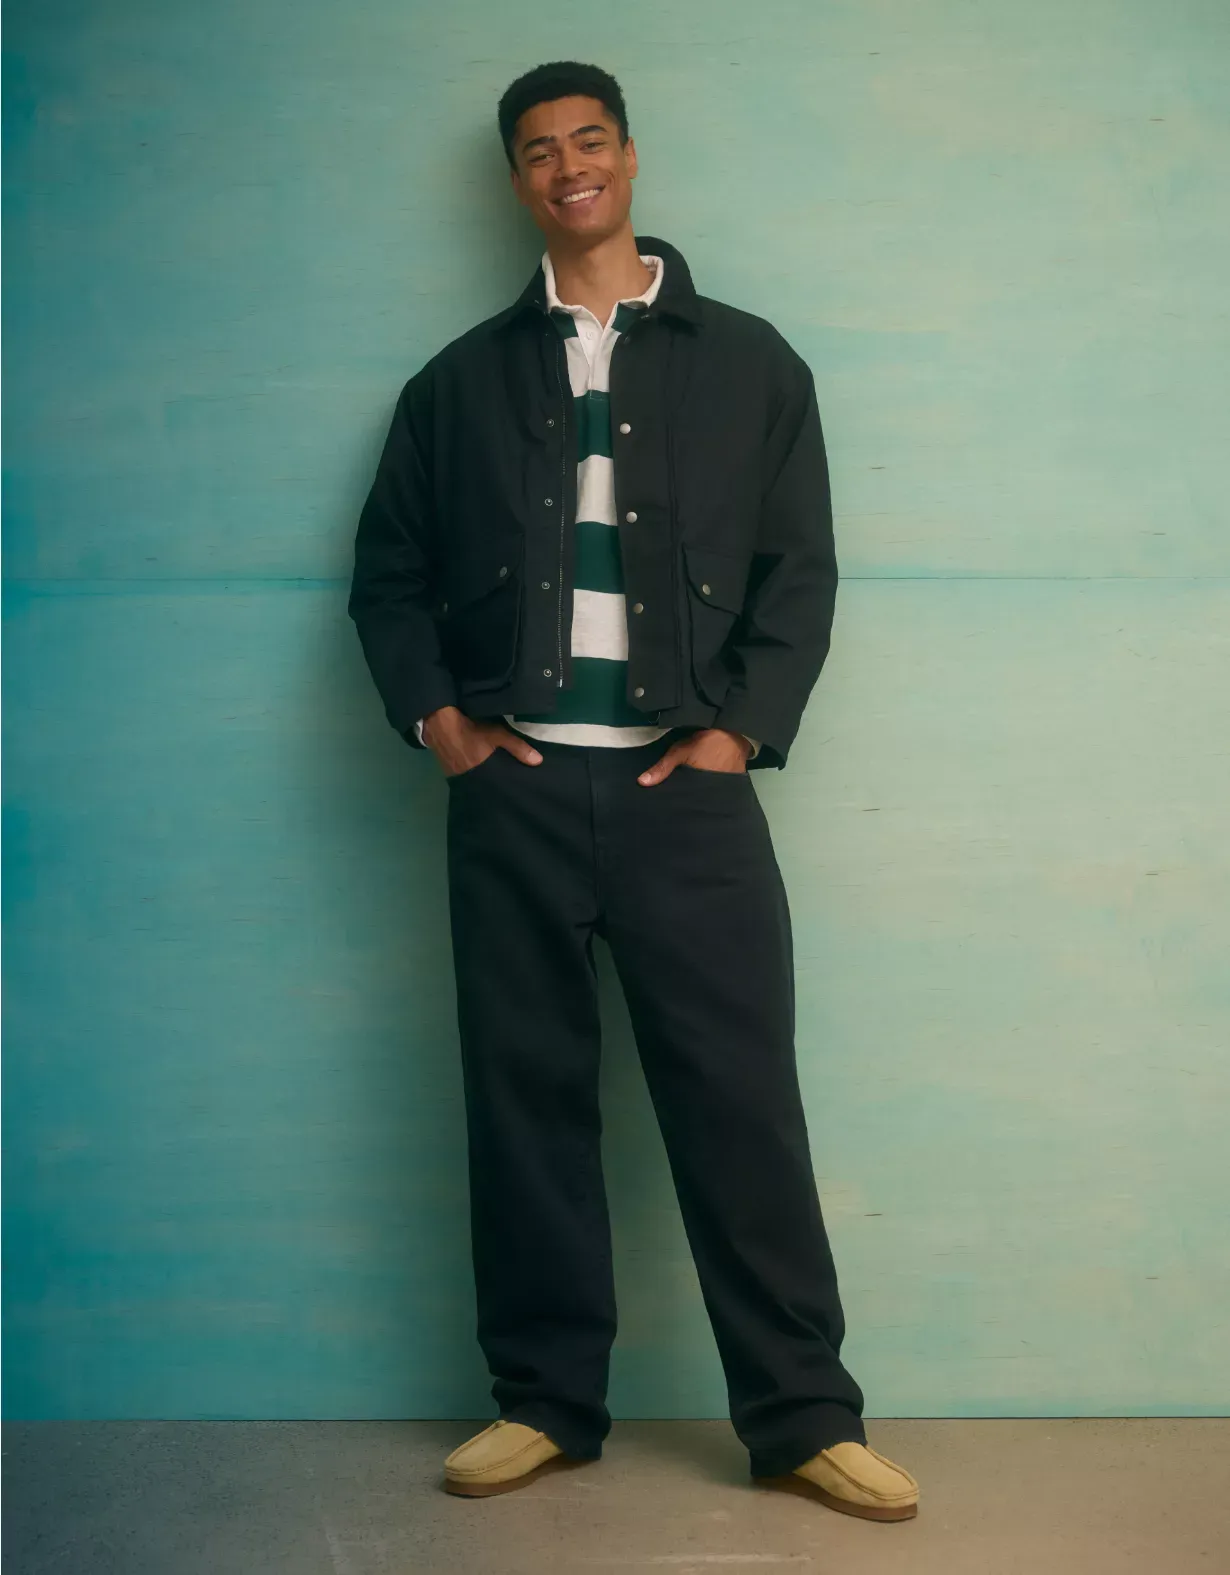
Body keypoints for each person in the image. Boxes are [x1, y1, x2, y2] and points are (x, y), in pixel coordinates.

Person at [348, 60, 919, 1523]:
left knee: (741, 1105)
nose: (567, 167)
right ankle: (543, 1403)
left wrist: (739, 736)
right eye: (539, 151)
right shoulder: (456, 382)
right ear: (517, 181)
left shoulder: (752, 364)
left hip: (689, 799)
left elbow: (800, 573)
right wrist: (442, 726)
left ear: (629, 157)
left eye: (588, 140)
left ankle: (803, 1417)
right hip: (516, 798)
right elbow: (389, 576)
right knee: (523, 1103)